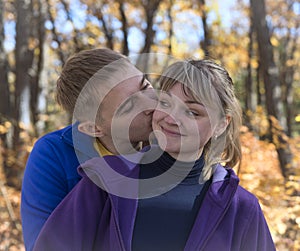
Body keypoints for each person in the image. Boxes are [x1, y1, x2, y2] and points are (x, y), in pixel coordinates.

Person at [32, 59, 275, 251]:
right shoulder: (105, 181)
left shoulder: (240, 207)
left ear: (221, 124)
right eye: (167, 103)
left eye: (192, 113)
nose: (172, 118)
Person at [21, 48, 157, 251]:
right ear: (94, 128)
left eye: (145, 86)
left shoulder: (174, 140)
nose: (152, 104)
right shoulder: (53, 156)